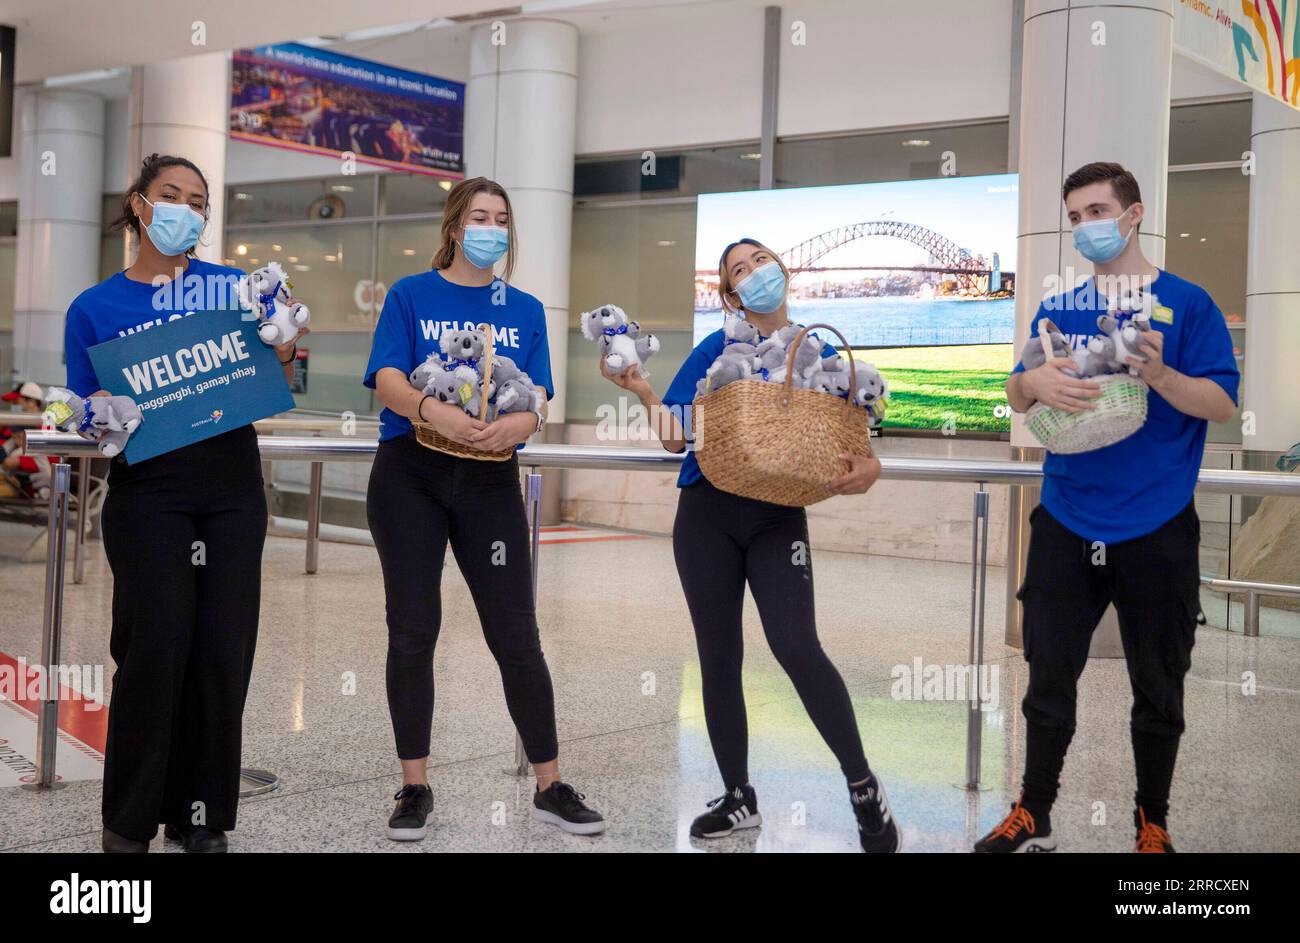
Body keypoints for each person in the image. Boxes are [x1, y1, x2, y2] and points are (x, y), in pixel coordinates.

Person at [601, 237, 902, 852]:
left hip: (778, 518)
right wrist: (643, 393)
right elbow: (676, 436)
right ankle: (739, 797)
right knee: (718, 656)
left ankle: (863, 785)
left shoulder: (820, 353)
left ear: (782, 270)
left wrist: (870, 468)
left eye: (760, 260)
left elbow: (859, 436)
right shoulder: (717, 350)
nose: (753, 273)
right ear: (732, 294)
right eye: (739, 270)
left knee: (797, 647)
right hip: (707, 515)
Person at [977, 162, 1238, 854]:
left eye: (1096, 210)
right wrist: (1026, 380)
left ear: (1133, 213)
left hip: (1157, 526)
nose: (1085, 226)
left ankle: (1152, 820)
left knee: (1159, 682)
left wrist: (1158, 375)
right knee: (1047, 674)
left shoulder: (1188, 304)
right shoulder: (1059, 308)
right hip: (1066, 516)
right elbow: (1018, 391)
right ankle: (1034, 811)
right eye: (1074, 217)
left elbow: (1222, 402)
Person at [63, 154, 305, 853]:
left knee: (221, 649)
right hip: (149, 488)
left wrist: (287, 344)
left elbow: (282, 362)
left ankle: (201, 816)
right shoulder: (97, 306)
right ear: (139, 205)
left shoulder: (236, 289)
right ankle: (130, 819)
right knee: (154, 645)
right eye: (170, 195)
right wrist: (96, 411)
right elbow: (83, 401)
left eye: (198, 200)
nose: (185, 209)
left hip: (230, 482)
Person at [363, 175, 605, 841]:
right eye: (479, 215)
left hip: (490, 477)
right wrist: (431, 408)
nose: (490, 227)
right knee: (413, 630)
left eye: (501, 217)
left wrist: (518, 426)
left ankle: (551, 785)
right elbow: (386, 377)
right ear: (454, 225)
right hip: (410, 475)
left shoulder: (524, 308)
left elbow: (539, 397)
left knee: (516, 634)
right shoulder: (411, 294)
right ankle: (414, 787)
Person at [1, 382, 51, 499]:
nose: (21, 409)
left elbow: (53, 459)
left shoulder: (47, 423)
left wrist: (20, 461)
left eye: (21, 405)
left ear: (32, 402)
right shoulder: (24, 421)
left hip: (39, 478)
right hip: (19, 474)